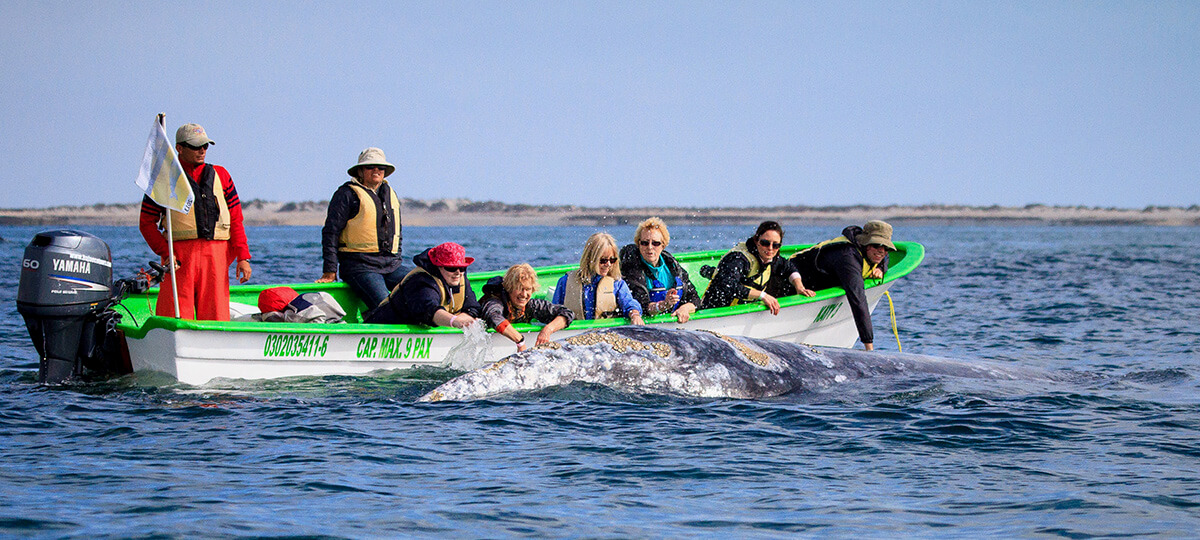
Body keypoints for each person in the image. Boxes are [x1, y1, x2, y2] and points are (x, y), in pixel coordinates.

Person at [138, 123, 252, 321]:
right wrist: (165, 252)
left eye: (205, 146)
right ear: (179, 148)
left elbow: (236, 219)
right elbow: (146, 222)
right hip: (179, 258)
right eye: (196, 146)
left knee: (216, 314)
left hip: (216, 257)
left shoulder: (222, 175)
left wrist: (243, 256)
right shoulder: (164, 180)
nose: (202, 150)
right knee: (175, 314)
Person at [316, 148, 404, 309]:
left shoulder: (389, 193)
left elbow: (396, 232)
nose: (376, 170)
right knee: (385, 305)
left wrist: (396, 257)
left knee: (425, 284)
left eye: (380, 167)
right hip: (360, 266)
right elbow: (331, 232)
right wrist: (330, 270)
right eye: (370, 167)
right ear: (361, 171)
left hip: (392, 266)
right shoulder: (346, 194)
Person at [789, 220, 896, 351]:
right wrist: (869, 347)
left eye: (886, 247)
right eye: (877, 245)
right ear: (865, 242)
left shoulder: (875, 252)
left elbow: (886, 257)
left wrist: (880, 268)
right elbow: (858, 301)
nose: (882, 251)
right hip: (789, 277)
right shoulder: (847, 258)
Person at [699, 220, 814, 314]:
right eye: (765, 243)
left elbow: (789, 268)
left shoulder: (772, 258)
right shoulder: (739, 259)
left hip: (743, 311)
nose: (770, 248)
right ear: (756, 241)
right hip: (717, 311)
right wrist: (762, 295)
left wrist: (799, 287)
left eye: (775, 245)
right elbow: (728, 285)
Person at [365, 242, 481, 327]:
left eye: (462, 268)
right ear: (439, 266)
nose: (458, 273)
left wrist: (463, 321)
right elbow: (429, 310)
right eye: (451, 268)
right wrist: (454, 322)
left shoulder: (460, 277)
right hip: (385, 328)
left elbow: (472, 307)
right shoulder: (421, 281)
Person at [618, 217, 701, 323]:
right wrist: (664, 305)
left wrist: (685, 308)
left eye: (655, 243)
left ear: (663, 245)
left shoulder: (673, 267)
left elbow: (695, 299)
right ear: (638, 244)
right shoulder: (632, 270)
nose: (649, 247)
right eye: (644, 243)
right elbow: (642, 307)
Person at [553, 232, 645, 324]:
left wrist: (635, 315)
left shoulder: (617, 284)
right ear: (590, 259)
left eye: (612, 260)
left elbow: (629, 303)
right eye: (603, 260)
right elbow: (553, 312)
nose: (608, 264)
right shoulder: (565, 282)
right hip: (574, 333)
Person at [480, 264, 574, 351]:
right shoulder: (494, 301)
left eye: (528, 289)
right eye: (519, 289)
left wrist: (548, 330)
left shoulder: (531, 305)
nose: (524, 295)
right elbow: (493, 316)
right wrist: (520, 341)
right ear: (509, 288)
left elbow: (567, 313)